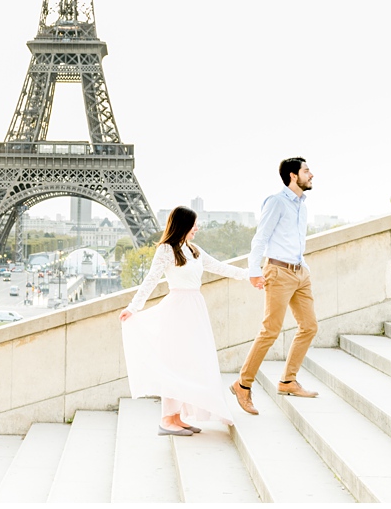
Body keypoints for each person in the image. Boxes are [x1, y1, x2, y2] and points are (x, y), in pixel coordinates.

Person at [120, 207, 264, 434]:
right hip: (177, 310)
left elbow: (218, 267)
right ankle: (167, 419)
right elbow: (151, 280)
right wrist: (133, 307)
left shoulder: (193, 250)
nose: (197, 228)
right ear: (183, 225)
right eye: (194, 224)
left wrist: (249, 275)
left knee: (189, 364)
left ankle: (177, 417)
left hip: (195, 309)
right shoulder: (166, 250)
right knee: (175, 362)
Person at [231, 157, 320, 415]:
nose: (311, 174)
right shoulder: (277, 202)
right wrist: (254, 270)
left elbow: (295, 241)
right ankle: (243, 384)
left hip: (299, 273)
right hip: (278, 272)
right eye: (306, 171)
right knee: (270, 330)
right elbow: (261, 238)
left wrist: (303, 267)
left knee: (310, 326)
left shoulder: (302, 206)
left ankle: (288, 381)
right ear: (293, 175)